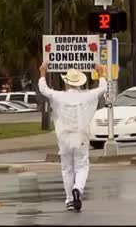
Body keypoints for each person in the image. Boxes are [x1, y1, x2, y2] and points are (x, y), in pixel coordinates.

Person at [38, 62, 106, 212]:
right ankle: (78, 189)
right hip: (80, 136)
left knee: (67, 168)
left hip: (64, 137)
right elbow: (102, 89)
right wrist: (101, 74)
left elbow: (44, 89)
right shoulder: (87, 96)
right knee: (82, 166)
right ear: (80, 83)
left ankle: (69, 199)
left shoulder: (59, 96)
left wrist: (43, 72)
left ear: (66, 82)